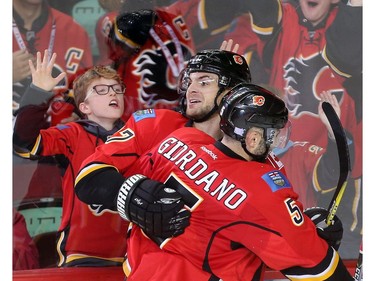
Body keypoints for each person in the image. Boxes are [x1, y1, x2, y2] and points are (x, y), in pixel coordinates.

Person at [115, 83, 352, 280]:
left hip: (140, 271)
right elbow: (317, 266)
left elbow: (135, 190)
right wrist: (307, 235)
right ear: (253, 137)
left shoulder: (179, 140)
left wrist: (301, 224)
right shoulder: (259, 188)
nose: (278, 141)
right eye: (275, 133)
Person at [75, 49, 267, 238]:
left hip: (221, 266)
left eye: (204, 82)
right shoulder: (155, 124)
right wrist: (135, 197)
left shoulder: (251, 148)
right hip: (151, 264)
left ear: (232, 92)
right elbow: (89, 177)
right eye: (189, 81)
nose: (191, 89)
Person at [13, 50, 129, 267]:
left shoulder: (139, 134)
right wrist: (38, 92)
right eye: (101, 90)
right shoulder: (72, 134)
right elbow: (24, 142)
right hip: (82, 254)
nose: (112, 94)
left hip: (132, 256)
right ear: (84, 107)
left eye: (116, 89)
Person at [95, 7, 196, 121]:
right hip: (164, 109)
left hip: (141, 111)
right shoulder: (175, 14)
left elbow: (110, 60)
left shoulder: (111, 19)